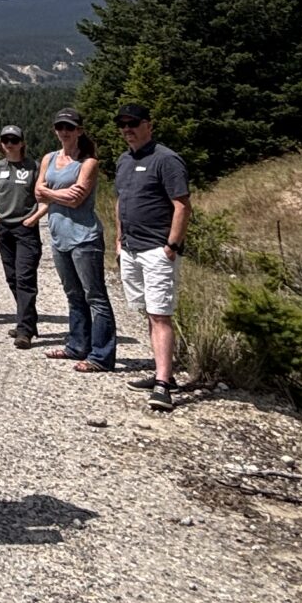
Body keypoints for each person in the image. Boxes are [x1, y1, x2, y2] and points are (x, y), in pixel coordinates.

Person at [112, 102, 191, 411]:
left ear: (149, 124)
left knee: (160, 315)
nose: (127, 128)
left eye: (133, 123)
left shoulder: (167, 160)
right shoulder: (124, 160)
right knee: (149, 311)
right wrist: (119, 240)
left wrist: (172, 245)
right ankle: (162, 372)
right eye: (123, 124)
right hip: (131, 248)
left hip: (157, 250)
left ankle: (163, 384)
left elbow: (182, 205)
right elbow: (121, 200)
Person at [36, 110, 115, 372]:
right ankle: (77, 345)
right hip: (59, 236)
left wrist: (50, 193)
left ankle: (101, 355)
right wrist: (59, 192)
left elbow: (76, 199)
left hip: (85, 237)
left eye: (69, 127)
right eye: (60, 126)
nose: (64, 131)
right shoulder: (48, 158)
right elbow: (38, 193)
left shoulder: (88, 162)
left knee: (95, 296)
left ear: (79, 130)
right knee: (73, 295)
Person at [0, 125, 44, 349]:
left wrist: (35, 217)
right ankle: (28, 319)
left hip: (26, 227)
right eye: (5, 140)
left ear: (22, 143)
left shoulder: (34, 167)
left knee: (25, 278)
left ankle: (24, 330)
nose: (9, 144)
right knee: (12, 277)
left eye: (13, 140)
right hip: (4, 227)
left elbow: (43, 195)